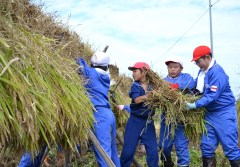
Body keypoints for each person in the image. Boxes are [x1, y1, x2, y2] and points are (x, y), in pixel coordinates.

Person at [186, 45, 240, 167]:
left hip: (224, 113)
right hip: (209, 114)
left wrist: (195, 104)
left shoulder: (217, 72)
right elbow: (197, 89)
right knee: (206, 146)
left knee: (230, 147)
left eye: (198, 61)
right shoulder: (202, 72)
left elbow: (212, 96)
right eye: (196, 62)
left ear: (208, 57)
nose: (197, 64)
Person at [76, 51, 120, 167]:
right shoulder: (106, 76)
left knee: (103, 155)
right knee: (112, 151)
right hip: (109, 115)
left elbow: (79, 60)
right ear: (106, 66)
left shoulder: (91, 73)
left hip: (99, 116)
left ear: (92, 63)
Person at [120, 62, 159, 167]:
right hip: (135, 121)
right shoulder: (135, 85)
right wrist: (149, 96)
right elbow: (136, 99)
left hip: (148, 122)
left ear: (144, 72)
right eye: (133, 71)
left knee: (153, 152)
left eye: (135, 71)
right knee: (128, 151)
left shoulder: (153, 86)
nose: (133, 74)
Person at [158, 57, 195, 167]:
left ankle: (183, 164)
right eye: (170, 67)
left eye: (175, 67)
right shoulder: (163, 81)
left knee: (181, 143)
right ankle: (167, 162)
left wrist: (176, 86)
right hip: (166, 117)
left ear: (181, 68)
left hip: (181, 116)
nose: (172, 69)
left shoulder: (186, 77)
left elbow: (191, 84)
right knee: (163, 144)